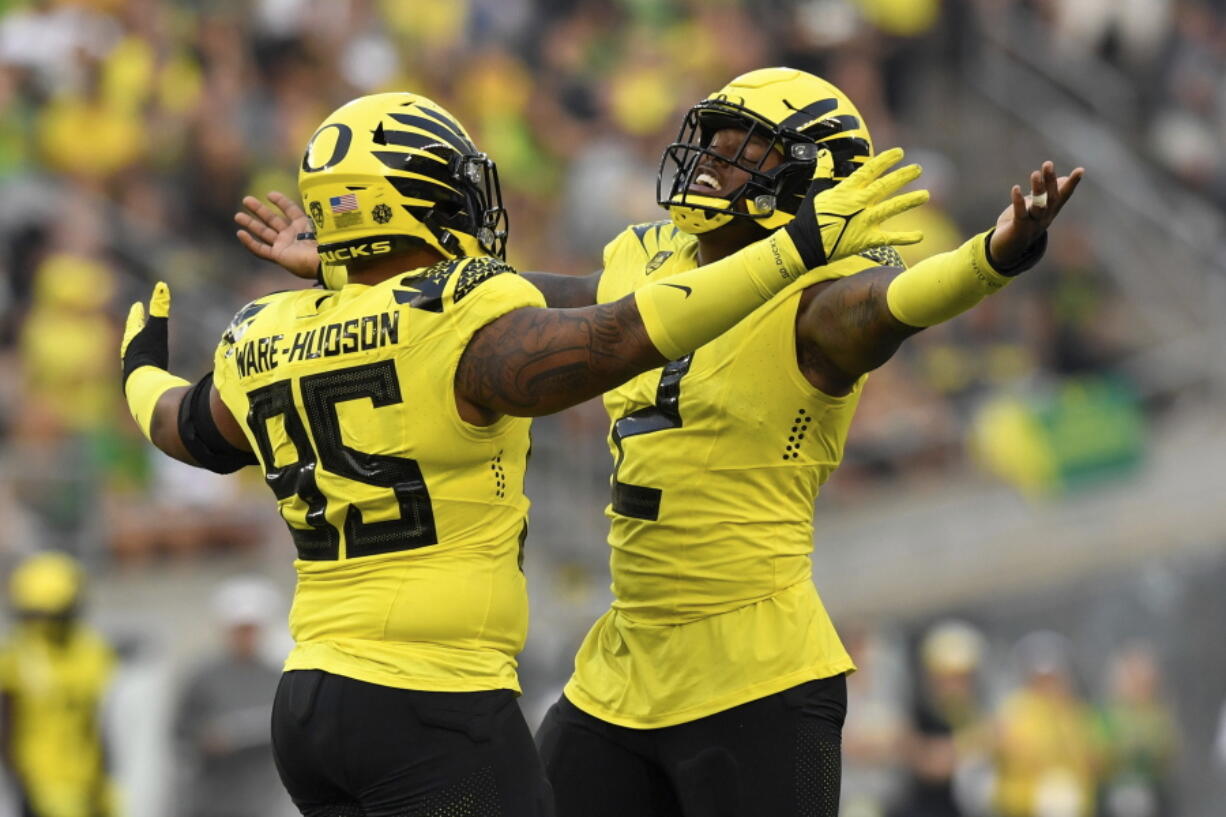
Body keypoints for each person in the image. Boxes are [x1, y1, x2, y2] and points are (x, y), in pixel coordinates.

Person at [240, 69, 1083, 816]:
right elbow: (521, 302)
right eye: (710, 141)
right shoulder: (648, 262)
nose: (712, 161)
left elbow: (897, 300)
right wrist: (366, 266)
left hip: (755, 668)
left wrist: (997, 254)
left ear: (809, 179)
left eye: (743, 148)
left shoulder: (820, 304)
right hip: (624, 662)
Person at [121, 90, 927, 817]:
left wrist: (137, 364)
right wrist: (796, 250)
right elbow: (622, 332)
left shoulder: (263, 329)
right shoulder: (461, 314)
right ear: (414, 201)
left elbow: (180, 425)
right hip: (434, 701)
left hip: (308, 702)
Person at [0, 552, 119, 817]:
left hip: (89, 775)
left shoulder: (90, 648)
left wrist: (104, 776)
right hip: (42, 780)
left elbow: (99, 717)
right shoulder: (17, 656)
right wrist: (18, 786)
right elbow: (7, 724)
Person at [173, 577, 294, 817]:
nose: (246, 637)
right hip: (213, 800)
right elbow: (180, 733)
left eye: (252, 629)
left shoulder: (280, 678)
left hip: (265, 801)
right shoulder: (203, 677)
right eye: (240, 630)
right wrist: (206, 741)